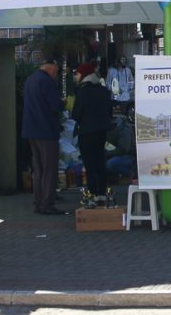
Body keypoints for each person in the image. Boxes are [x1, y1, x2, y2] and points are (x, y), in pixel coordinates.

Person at [23, 58, 67, 215]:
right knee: (49, 168)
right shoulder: (46, 82)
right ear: (50, 67)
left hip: (31, 130)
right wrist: (63, 102)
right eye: (55, 70)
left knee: (38, 168)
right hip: (46, 131)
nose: (56, 74)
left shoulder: (30, 79)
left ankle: (38, 201)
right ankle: (47, 203)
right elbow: (55, 106)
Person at [71, 62, 112, 197]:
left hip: (86, 134)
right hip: (101, 133)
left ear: (84, 75)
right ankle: (102, 192)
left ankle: (92, 194)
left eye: (77, 74)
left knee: (90, 165)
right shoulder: (104, 91)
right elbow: (109, 113)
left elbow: (76, 115)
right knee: (100, 162)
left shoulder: (82, 92)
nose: (75, 77)